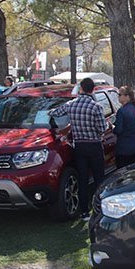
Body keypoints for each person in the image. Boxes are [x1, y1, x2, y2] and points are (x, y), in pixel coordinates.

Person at [49, 78, 107, 219]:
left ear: (81, 88)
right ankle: (100, 209)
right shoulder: (96, 107)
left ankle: (84, 211)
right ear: (92, 89)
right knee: (99, 178)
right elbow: (101, 128)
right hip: (94, 145)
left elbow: (55, 113)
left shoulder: (71, 105)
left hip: (79, 145)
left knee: (82, 178)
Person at [114, 86, 135, 168]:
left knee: (123, 173)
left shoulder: (122, 111)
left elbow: (119, 130)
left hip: (125, 148)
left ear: (127, 97)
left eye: (120, 94)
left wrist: (112, 128)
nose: (118, 97)